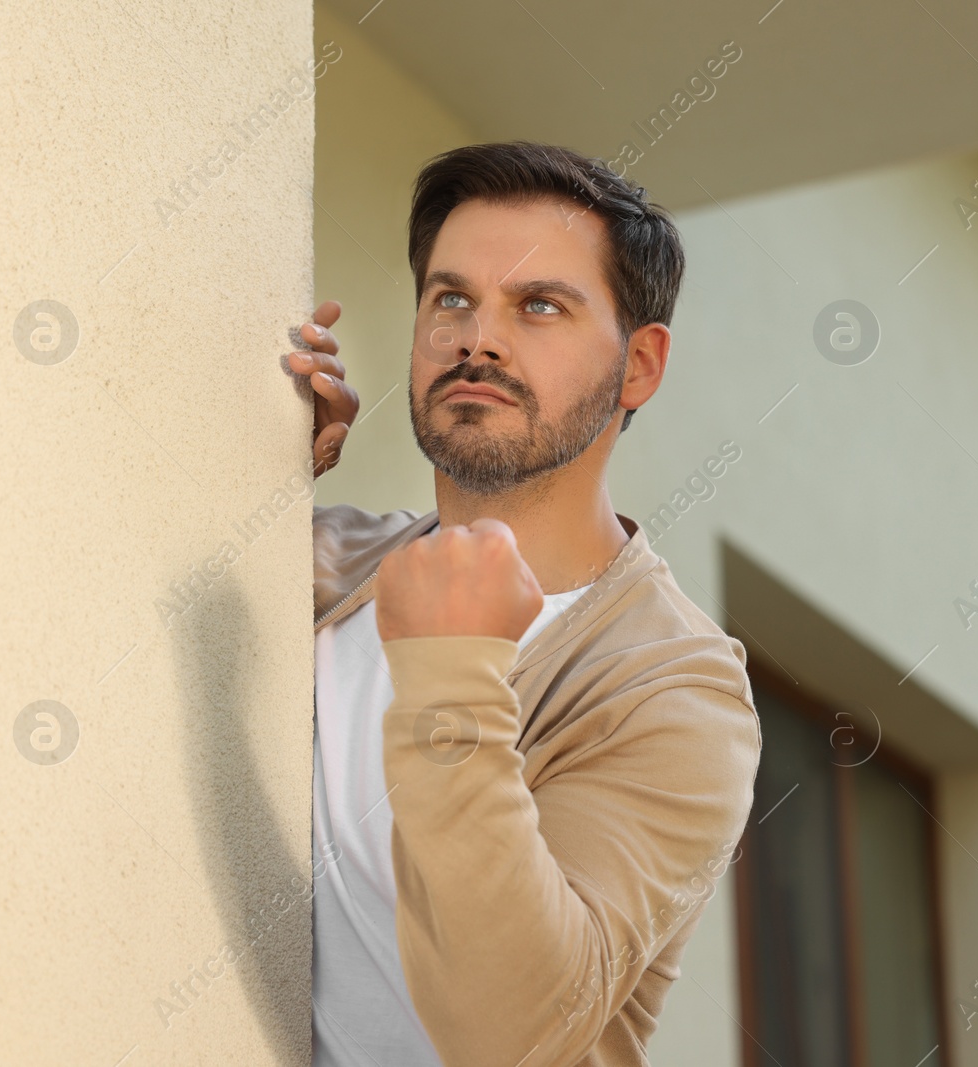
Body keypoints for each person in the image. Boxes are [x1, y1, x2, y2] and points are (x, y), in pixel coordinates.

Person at [283, 141, 762, 1067]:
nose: (478, 338)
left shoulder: (677, 692)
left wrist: (453, 675)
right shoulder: (331, 564)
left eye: (539, 305)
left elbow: (519, 1030)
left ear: (639, 366)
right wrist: (250, 470)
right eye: (452, 298)